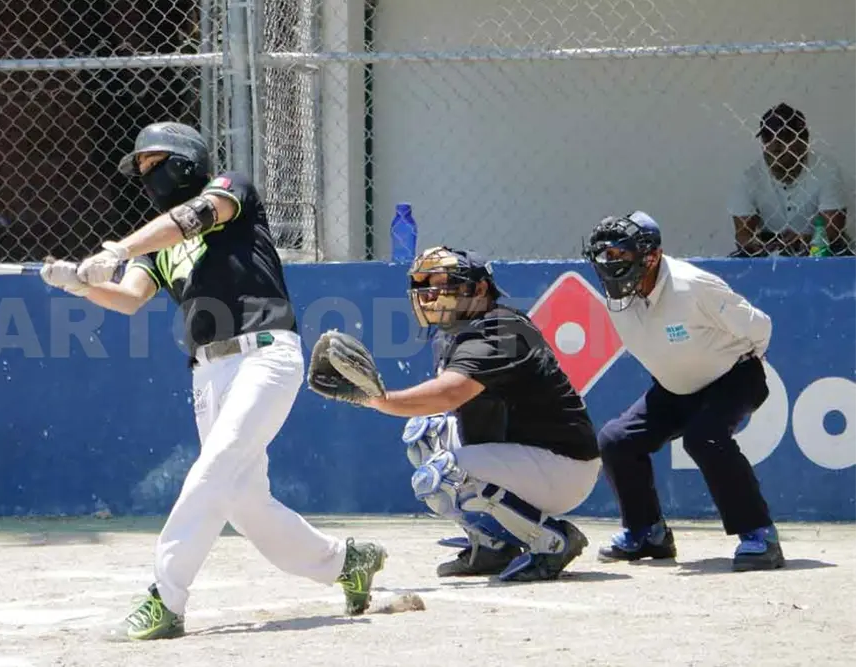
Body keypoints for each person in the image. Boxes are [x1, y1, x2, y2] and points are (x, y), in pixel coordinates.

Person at [39, 121, 387, 641]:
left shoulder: (231, 189)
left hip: (264, 356)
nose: (146, 175)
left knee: (212, 470)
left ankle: (166, 597)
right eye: (141, 169)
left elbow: (191, 218)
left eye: (154, 163)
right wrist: (79, 286)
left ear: (184, 160)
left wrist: (116, 251)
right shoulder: (159, 247)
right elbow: (130, 298)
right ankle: (345, 562)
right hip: (207, 372)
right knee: (246, 506)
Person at [316, 246, 602, 581]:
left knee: (444, 475)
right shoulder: (451, 335)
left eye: (443, 284)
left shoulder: (503, 329)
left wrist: (375, 399)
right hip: (524, 454)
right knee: (424, 433)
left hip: (562, 467)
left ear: (479, 289)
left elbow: (450, 393)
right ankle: (494, 545)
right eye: (423, 285)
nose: (429, 295)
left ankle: (552, 540)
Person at [583, 211, 785, 571]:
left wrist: (748, 358)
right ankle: (648, 533)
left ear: (651, 256)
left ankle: (759, 535)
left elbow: (760, 326)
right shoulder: (616, 294)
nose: (611, 264)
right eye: (606, 255)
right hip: (674, 390)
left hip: (733, 377)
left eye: (621, 255)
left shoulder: (694, 286)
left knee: (703, 437)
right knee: (616, 440)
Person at [728, 103, 849, 257]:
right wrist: (754, 244)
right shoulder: (750, 176)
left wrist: (807, 239)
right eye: (767, 136)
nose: (775, 145)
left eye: (784, 137)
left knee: (841, 254)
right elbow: (742, 233)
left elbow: (833, 230)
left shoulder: (825, 169)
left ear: (804, 141)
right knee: (738, 260)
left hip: (817, 245)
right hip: (770, 244)